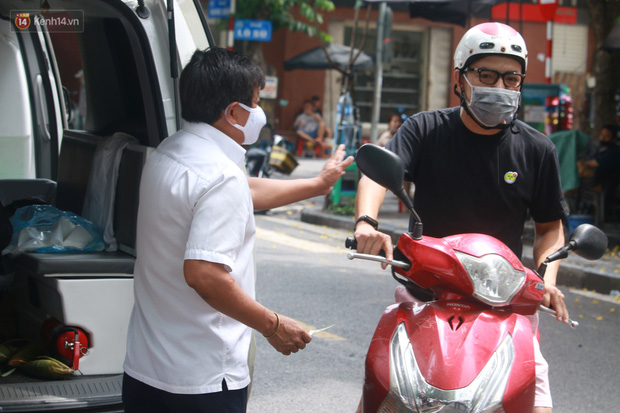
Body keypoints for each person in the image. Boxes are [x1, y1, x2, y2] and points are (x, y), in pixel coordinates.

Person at [122, 47, 353, 413]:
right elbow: (204, 275)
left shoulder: (170, 152)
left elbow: (244, 190)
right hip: (201, 380)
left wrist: (317, 184)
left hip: (146, 370)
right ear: (233, 112)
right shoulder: (219, 175)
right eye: (256, 102)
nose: (260, 112)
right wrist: (273, 325)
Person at [353, 22, 569, 413]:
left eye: (511, 78)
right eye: (486, 75)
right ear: (460, 78)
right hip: (425, 297)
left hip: (504, 306)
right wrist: (366, 222)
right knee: (381, 393)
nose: (499, 87)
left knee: (536, 402)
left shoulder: (537, 149)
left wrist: (547, 279)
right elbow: (377, 175)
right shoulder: (425, 129)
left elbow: (550, 226)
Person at [579, 124, 620, 219]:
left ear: (613, 139)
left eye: (607, 136)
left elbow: (595, 163)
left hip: (605, 184)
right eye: (602, 135)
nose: (603, 138)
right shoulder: (600, 150)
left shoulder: (614, 152)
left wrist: (583, 163)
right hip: (595, 182)